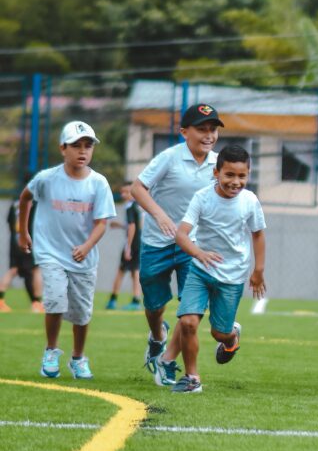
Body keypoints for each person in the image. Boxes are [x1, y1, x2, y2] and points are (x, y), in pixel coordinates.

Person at [131, 103, 223, 387]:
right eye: (201, 129)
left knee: (190, 314)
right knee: (155, 306)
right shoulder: (169, 158)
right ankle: (157, 336)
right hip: (157, 244)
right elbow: (137, 188)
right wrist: (159, 215)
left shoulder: (218, 165)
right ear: (184, 132)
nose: (208, 135)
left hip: (192, 248)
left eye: (213, 130)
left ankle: (170, 363)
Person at [18, 121, 116, 379]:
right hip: (51, 253)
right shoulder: (47, 179)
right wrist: (23, 232)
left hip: (83, 257)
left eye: (87, 146)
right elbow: (25, 197)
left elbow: (102, 222)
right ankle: (51, 351)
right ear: (63, 149)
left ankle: (78, 357)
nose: (82, 151)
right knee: (55, 301)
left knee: (82, 314)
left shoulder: (98, 183)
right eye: (76, 146)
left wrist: (86, 246)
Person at [172, 145, 266, 393]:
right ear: (216, 173)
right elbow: (181, 235)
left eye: (242, 176)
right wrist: (199, 253)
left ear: (248, 174)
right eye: (229, 175)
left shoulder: (250, 201)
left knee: (218, 333)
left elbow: (258, 234)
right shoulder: (202, 198)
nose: (236, 182)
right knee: (188, 322)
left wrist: (258, 271)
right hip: (200, 271)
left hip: (232, 276)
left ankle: (231, 336)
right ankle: (192, 378)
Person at [0, 193, 43, 313]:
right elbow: (37, 221)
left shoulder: (15, 201)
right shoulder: (34, 201)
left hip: (15, 240)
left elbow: (9, 221)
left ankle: (0, 301)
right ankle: (37, 303)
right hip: (29, 239)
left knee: (13, 269)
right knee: (35, 269)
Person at [106, 182, 142, 311]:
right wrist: (121, 226)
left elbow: (132, 227)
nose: (123, 195)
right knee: (135, 272)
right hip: (139, 243)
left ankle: (112, 300)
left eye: (127, 192)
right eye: (122, 192)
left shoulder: (129, 207)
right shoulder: (138, 206)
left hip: (132, 244)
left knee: (121, 272)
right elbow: (136, 226)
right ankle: (136, 300)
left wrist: (128, 246)